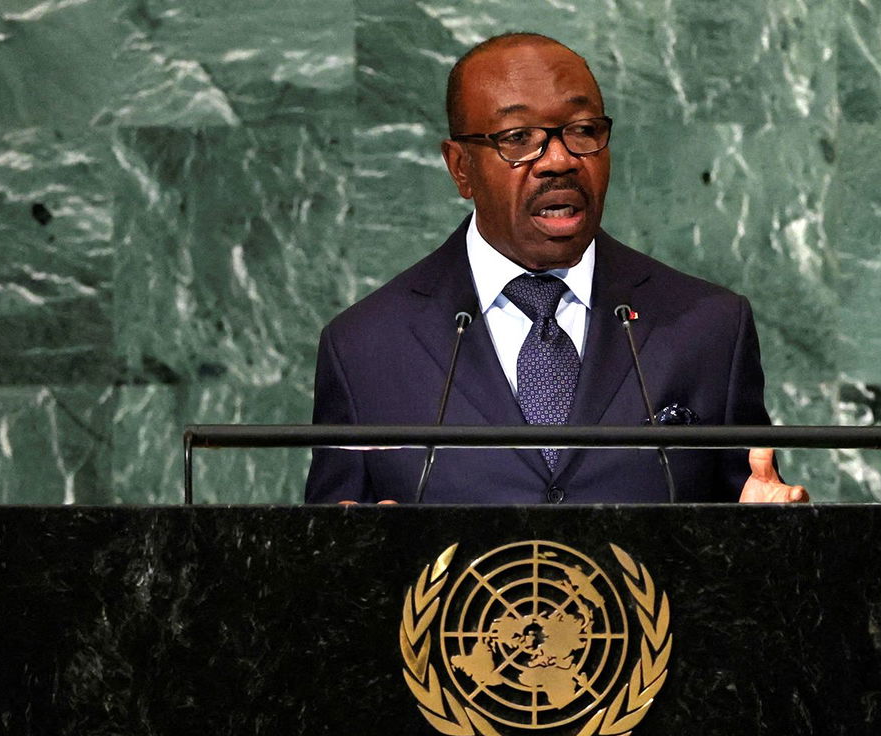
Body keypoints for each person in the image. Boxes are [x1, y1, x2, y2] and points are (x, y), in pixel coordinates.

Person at [305, 32, 808, 505]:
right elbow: (325, 559)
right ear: (461, 167)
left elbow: (751, 517)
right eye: (519, 138)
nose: (560, 160)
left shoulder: (709, 327)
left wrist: (776, 536)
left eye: (583, 131)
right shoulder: (365, 347)